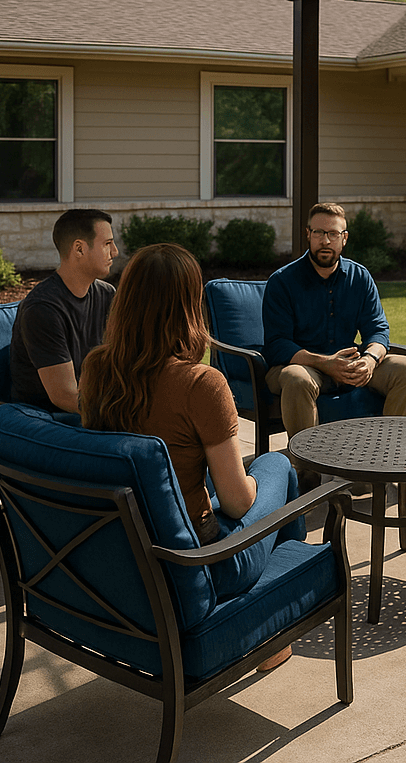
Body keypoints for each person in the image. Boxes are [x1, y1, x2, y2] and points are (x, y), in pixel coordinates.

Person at [80, 242, 303, 672]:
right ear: (189, 307)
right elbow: (238, 502)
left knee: (261, 474)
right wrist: (258, 483)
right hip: (198, 563)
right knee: (277, 467)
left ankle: (271, 624)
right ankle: (273, 623)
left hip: (126, 550)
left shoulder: (96, 369)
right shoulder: (202, 384)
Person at [263, 202, 406, 511]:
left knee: (404, 369)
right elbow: (277, 345)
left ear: (344, 238)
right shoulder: (282, 281)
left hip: (350, 363)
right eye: (319, 233)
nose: (325, 241)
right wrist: (326, 364)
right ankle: (306, 478)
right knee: (296, 379)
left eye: (332, 234)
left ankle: (388, 472)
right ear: (307, 235)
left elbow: (378, 329)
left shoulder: (360, 277)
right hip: (302, 365)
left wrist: (370, 359)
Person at [10, 208, 118, 414]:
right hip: (48, 417)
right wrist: (123, 413)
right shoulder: (43, 309)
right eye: (107, 244)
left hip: (90, 406)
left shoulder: (106, 295)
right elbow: (65, 396)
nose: (115, 252)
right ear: (79, 249)